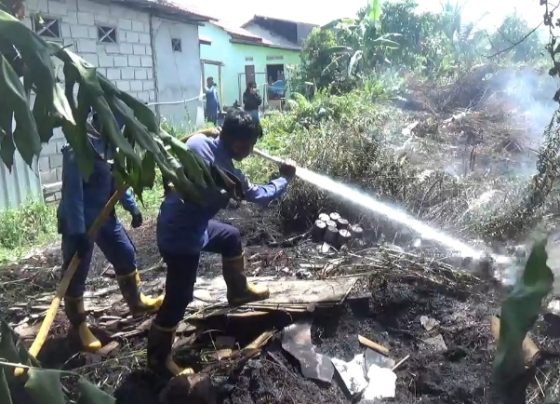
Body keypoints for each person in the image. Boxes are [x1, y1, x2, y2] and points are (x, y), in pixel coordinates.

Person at [147, 109, 296, 377]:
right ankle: (158, 360)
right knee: (178, 299)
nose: (251, 150)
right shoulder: (228, 174)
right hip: (182, 240)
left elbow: (193, 137)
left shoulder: (196, 143)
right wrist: (284, 178)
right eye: (249, 146)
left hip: (179, 222)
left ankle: (238, 292)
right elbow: (259, 195)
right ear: (238, 143)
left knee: (230, 237)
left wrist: (210, 132)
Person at [57, 111, 164, 352]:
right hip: (81, 222)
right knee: (75, 275)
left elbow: (117, 180)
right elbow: (72, 194)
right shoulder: (76, 147)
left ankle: (136, 301)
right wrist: (79, 232)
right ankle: (80, 326)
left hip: (105, 215)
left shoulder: (110, 147)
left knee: (125, 253)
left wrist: (133, 208)